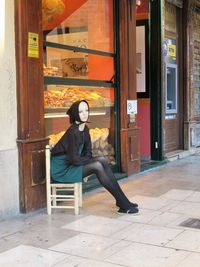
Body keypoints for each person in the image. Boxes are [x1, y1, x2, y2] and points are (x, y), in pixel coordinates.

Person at [51, 100, 140, 214]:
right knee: (97, 166)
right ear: (75, 114)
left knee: (102, 160)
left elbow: (88, 153)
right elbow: (74, 159)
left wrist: (90, 159)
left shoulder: (85, 129)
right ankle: (123, 204)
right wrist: (90, 161)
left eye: (86, 110)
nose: (85, 113)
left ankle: (122, 201)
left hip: (71, 164)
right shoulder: (73, 132)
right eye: (80, 111)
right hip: (61, 170)